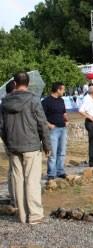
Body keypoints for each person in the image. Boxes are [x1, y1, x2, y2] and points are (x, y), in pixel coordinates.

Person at [0, 72, 50, 224]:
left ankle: (22, 216)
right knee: (32, 181)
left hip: (13, 146)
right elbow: (42, 123)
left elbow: (1, 127)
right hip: (31, 146)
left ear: (14, 83)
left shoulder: (4, 102)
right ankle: (34, 215)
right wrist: (47, 144)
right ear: (28, 83)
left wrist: (8, 144)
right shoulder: (33, 100)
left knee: (18, 182)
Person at [42, 82, 68, 181]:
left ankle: (60, 171)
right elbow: (41, 116)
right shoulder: (46, 101)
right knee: (52, 153)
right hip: (53, 130)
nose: (64, 91)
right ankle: (51, 173)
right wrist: (49, 125)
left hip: (63, 129)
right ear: (58, 90)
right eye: (63, 89)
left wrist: (66, 120)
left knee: (62, 152)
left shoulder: (61, 100)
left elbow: (64, 112)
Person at [3, 80, 16, 209]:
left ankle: (14, 197)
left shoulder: (4, 103)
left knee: (13, 170)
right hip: (12, 141)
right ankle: (14, 197)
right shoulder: (7, 104)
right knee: (14, 170)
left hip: (11, 141)